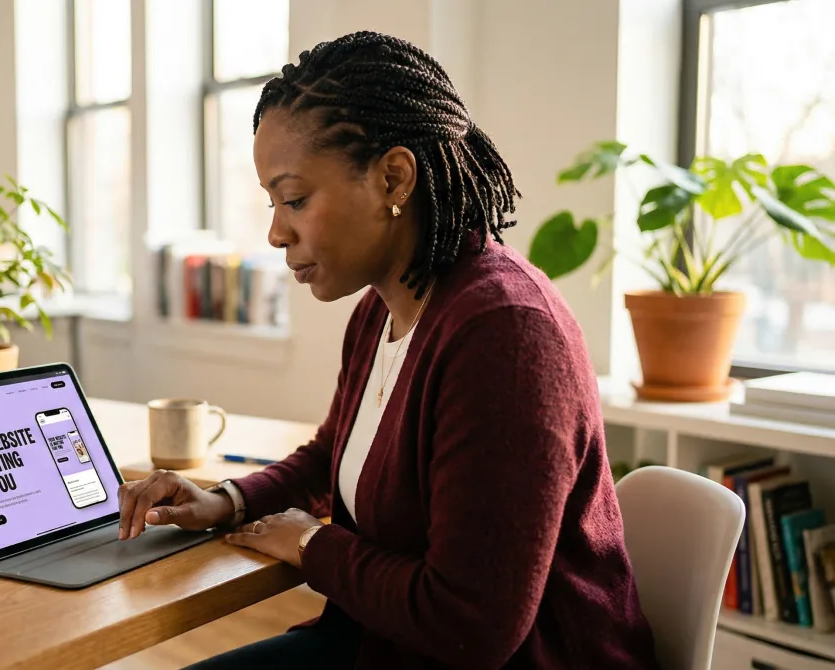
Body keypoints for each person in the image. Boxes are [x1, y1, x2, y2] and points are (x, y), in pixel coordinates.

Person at [116, 32, 659, 669]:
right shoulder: (383, 308)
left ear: (393, 178)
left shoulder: (506, 335)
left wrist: (314, 546)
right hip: (381, 644)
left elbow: (473, 625)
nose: (274, 230)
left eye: (294, 199)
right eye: (272, 203)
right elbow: (332, 456)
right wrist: (226, 500)